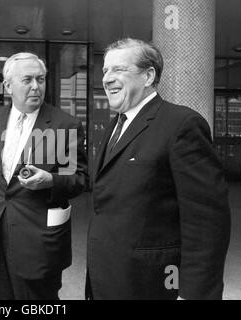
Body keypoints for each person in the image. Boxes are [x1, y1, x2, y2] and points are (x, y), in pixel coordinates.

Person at [87, 38, 231, 300]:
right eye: (105, 70)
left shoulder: (182, 125)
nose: (107, 78)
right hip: (107, 280)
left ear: (148, 76)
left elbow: (207, 223)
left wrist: (193, 294)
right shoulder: (115, 126)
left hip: (152, 285)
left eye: (118, 69)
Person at [0, 52, 88, 299]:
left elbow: (80, 178)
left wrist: (50, 180)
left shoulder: (64, 125)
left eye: (41, 79)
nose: (36, 86)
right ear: (8, 86)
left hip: (38, 242)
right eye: (28, 80)